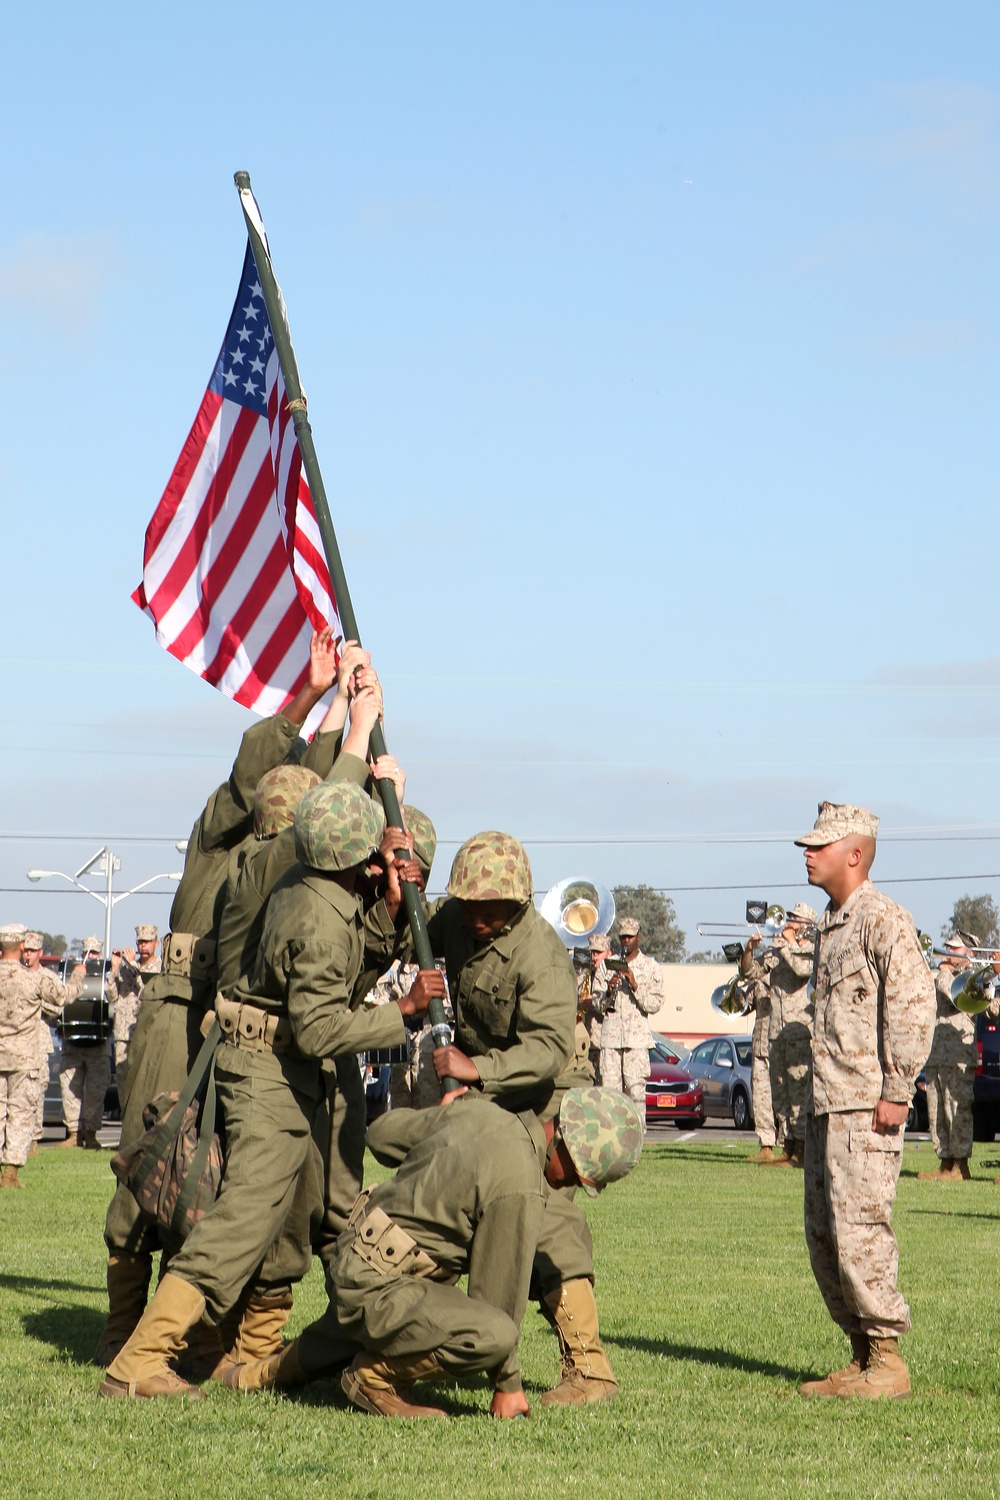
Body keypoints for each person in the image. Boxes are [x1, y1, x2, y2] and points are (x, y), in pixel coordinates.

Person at [99, 779, 439, 1400]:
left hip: (262, 1067)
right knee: (239, 1221)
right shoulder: (319, 919)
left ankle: (210, 1352)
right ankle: (138, 1363)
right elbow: (318, 1028)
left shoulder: (305, 889)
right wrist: (408, 1011)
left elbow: (340, 967)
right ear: (358, 852)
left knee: (263, 1216)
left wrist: (387, 909)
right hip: (271, 1079)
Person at [97, 628, 354, 1368]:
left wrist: (344, 706)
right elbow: (258, 772)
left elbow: (309, 790)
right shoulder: (218, 837)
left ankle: (217, 1332)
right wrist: (314, 693)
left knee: (226, 1172)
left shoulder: (293, 868)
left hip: (241, 1030)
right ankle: (124, 1324)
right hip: (178, 1015)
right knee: (154, 1155)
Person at [228, 1087, 644, 1417]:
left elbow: (382, 1135)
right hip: (384, 1288)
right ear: (565, 1148)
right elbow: (496, 1308)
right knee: (494, 1334)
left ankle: (250, 1377)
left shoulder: (481, 1113)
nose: (580, 1186)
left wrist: (447, 1120)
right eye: (582, 1176)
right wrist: (508, 1386)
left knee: (330, 1343)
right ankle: (373, 1378)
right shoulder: (521, 1183)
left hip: (356, 1260)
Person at [422, 833, 620, 1406]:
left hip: (548, 1100)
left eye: (492, 908)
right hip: (489, 1095)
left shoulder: (540, 954)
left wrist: (475, 1071)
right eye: (470, 905)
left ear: (519, 902)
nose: (478, 918)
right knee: (462, 1210)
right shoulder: (457, 919)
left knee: (541, 1216)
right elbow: (407, 929)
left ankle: (590, 1371)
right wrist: (393, 884)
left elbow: (547, 1051)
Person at [795, 801, 935, 1401]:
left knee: (860, 1232)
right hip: (829, 1103)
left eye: (819, 846)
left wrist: (897, 1090)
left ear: (854, 854)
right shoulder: (831, 924)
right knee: (824, 1235)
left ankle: (888, 1361)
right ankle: (859, 1354)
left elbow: (912, 1005)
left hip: (867, 1106)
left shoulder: (883, 920)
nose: (807, 854)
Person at [742, 904, 818, 1166]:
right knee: (780, 1095)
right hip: (775, 1032)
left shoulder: (811, 950)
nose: (788, 923)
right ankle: (787, 1147)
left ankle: (802, 1150)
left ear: (807, 925)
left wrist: (786, 944)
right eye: (790, 918)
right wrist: (750, 950)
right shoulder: (778, 950)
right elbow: (750, 973)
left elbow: (802, 971)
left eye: (795, 920)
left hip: (798, 1031)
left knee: (798, 1093)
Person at [0, 925, 65, 1188]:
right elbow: (60, 1000)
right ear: (22, 947)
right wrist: (75, 981)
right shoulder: (33, 979)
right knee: (20, 1113)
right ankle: (10, 1174)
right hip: (24, 1057)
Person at [917, 933, 977, 1183]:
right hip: (937, 1053)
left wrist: (944, 971)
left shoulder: (972, 981)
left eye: (955, 950)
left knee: (957, 1111)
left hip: (958, 1055)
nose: (949, 954)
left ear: (969, 954)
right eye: (949, 949)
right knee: (937, 1111)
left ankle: (960, 1166)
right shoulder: (946, 975)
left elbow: (954, 995)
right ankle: (944, 1162)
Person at [57, 936, 120, 1149]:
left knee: (96, 1092)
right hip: (73, 1045)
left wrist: (113, 972)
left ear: (100, 954)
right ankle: (73, 1135)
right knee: (70, 1091)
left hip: (98, 1045)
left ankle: (91, 1134)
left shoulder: (108, 974)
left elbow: (114, 998)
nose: (90, 957)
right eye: (88, 952)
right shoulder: (72, 972)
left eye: (94, 953)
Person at [596, 917, 663, 1111]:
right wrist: (609, 992)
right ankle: (611, 1139)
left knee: (636, 1097)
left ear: (638, 938)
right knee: (610, 1097)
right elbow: (596, 1003)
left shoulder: (650, 967)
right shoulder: (607, 965)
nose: (626, 941)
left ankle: (637, 1139)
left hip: (637, 1043)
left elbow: (655, 1004)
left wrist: (635, 985)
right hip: (611, 1042)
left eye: (630, 937)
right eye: (623, 937)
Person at [21, 931, 65, 1155]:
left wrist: (37, 1003)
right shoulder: (15, 974)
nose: (27, 954)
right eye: (24, 950)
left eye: (31, 950)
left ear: (40, 952)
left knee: (37, 1091)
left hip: (38, 1041)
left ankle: (34, 1139)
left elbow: (59, 1006)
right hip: (15, 1043)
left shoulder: (49, 978)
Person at [112, 925, 161, 1107]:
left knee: (145, 1081)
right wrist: (115, 969)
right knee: (123, 1084)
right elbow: (111, 995)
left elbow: (148, 991)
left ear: (156, 943)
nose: (143, 946)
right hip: (124, 1035)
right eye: (140, 942)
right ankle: (125, 1123)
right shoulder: (126, 969)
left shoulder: (160, 968)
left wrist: (133, 966)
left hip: (146, 1033)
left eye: (147, 942)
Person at [580, 933, 611, 1084]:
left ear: (608, 953)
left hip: (605, 1042)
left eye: (599, 953)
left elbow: (612, 1004)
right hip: (586, 1040)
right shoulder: (585, 975)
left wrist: (591, 1002)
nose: (594, 957)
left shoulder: (612, 976)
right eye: (592, 952)